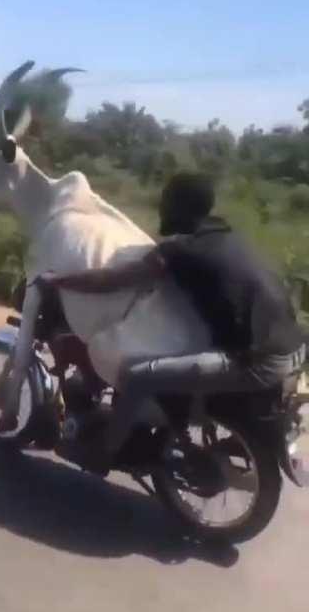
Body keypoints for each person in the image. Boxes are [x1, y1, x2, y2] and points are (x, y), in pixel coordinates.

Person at [39, 171, 306, 474]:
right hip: (294, 347)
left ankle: (102, 453)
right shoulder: (227, 236)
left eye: (166, 202)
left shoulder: (180, 250)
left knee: (138, 377)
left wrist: (60, 280)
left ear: (181, 208)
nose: (161, 208)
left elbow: (112, 280)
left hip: (259, 360)